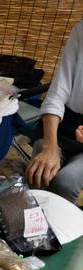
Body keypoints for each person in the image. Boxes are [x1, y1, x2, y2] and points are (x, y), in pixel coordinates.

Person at [26, 21, 83, 204]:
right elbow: (57, 93)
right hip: (65, 125)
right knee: (39, 173)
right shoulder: (81, 30)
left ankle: (59, 231)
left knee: (66, 182)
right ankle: (32, 226)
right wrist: (50, 147)